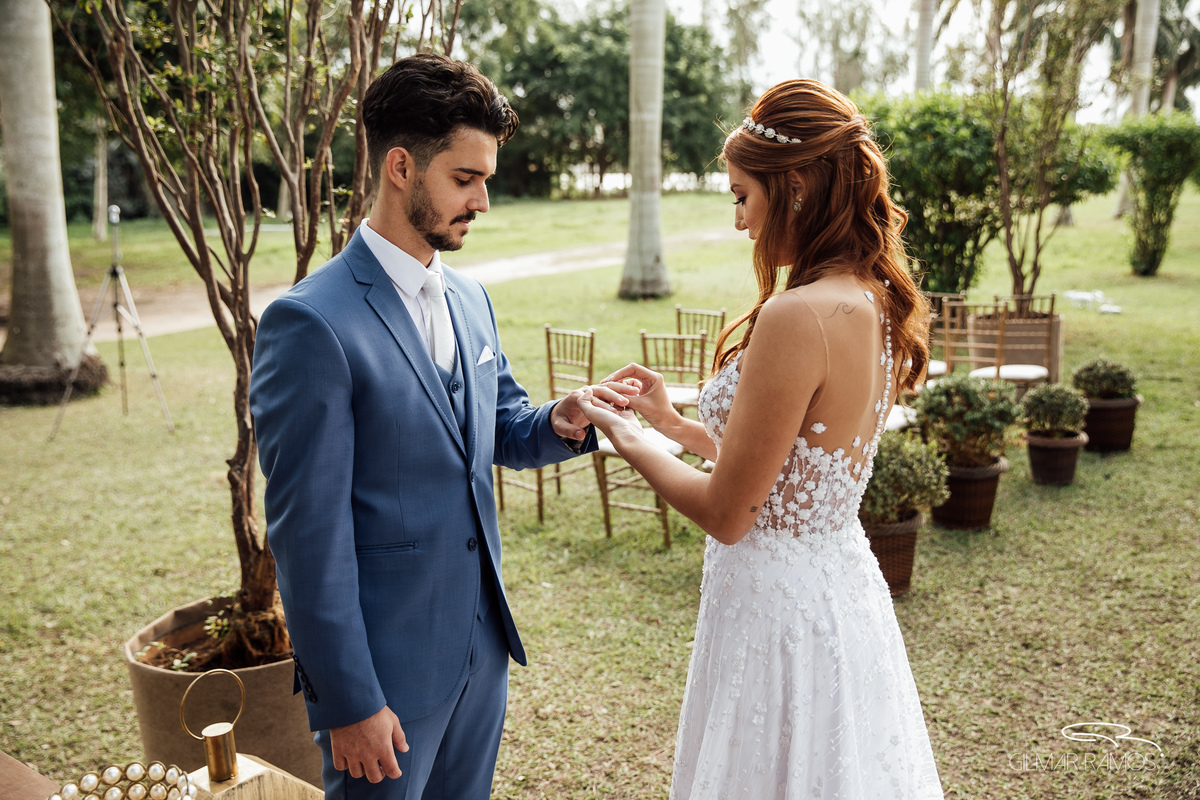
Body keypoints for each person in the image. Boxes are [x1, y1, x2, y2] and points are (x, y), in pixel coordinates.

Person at [249, 53, 623, 800]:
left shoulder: (470, 299)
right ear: (399, 167)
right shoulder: (310, 324)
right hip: (383, 676)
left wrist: (565, 417)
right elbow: (306, 537)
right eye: (466, 178)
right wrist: (349, 700)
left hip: (480, 654)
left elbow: (498, 427)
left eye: (486, 178)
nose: (483, 200)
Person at [578, 79, 945, 798]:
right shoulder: (869, 298)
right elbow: (798, 471)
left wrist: (623, 434)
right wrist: (675, 427)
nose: (740, 221)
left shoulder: (796, 316)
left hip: (775, 618)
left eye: (743, 195)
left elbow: (728, 513)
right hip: (835, 592)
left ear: (798, 186)